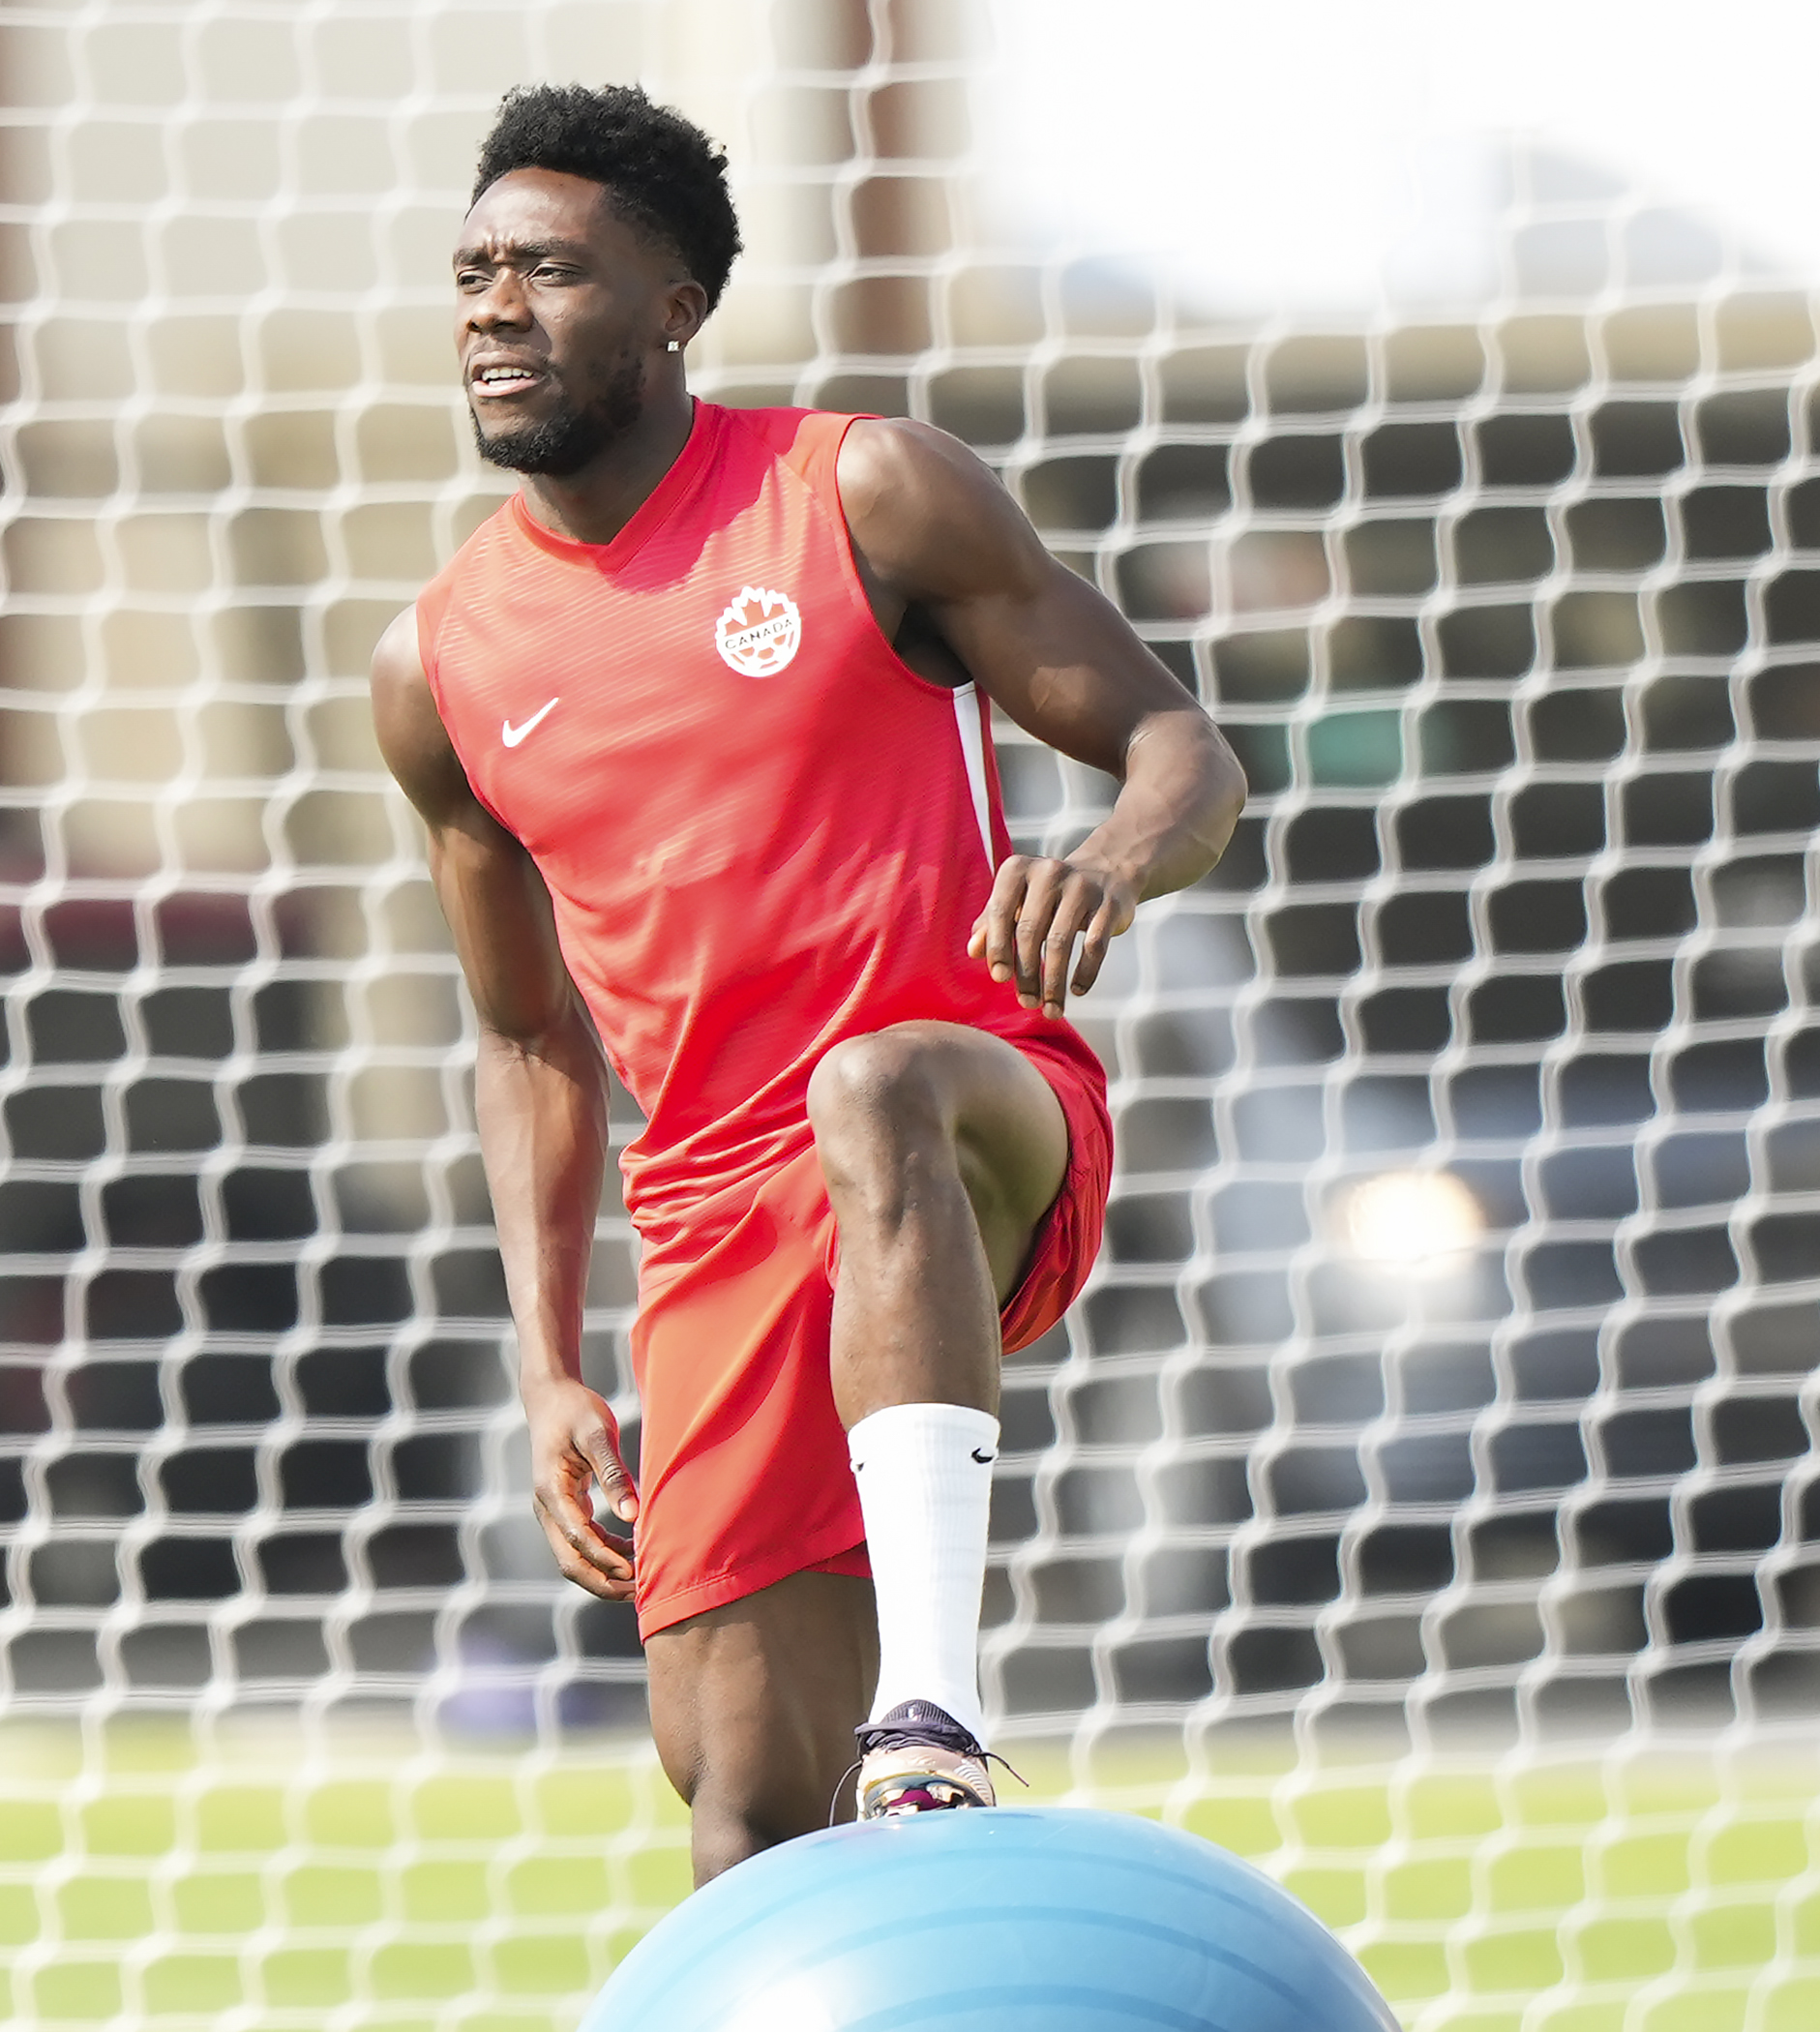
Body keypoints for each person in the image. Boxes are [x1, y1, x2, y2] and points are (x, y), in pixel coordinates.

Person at [373, 84, 1245, 1884]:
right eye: (473, 273)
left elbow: (1181, 747)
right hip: (709, 1222)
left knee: (875, 1089)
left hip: (975, 1108)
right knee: (744, 1814)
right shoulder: (438, 665)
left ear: (677, 303)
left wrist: (1103, 862)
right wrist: (548, 1371)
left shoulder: (861, 492)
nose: (492, 308)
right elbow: (525, 1035)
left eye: (548, 269)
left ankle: (934, 1712)